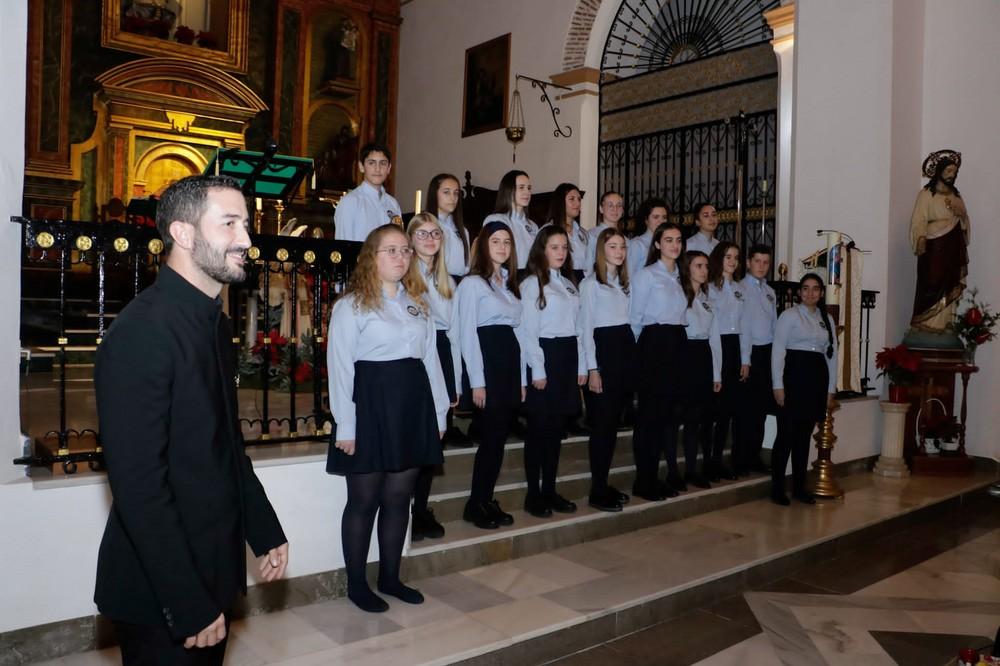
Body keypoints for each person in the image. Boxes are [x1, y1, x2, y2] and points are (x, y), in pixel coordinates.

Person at [94, 175, 288, 664]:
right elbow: (139, 486)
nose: (246, 240)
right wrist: (185, 600)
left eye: (245, 225)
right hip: (162, 587)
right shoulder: (142, 331)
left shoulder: (213, 324)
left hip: (213, 564)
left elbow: (225, 443)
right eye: (230, 224)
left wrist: (263, 526)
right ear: (182, 233)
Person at [327, 224, 449, 613]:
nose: (400, 257)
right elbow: (341, 367)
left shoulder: (417, 303)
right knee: (364, 500)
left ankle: (391, 578)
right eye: (391, 250)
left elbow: (430, 362)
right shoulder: (352, 305)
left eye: (405, 251)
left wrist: (439, 414)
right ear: (372, 257)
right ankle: (357, 585)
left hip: (411, 407)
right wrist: (346, 425)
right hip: (370, 406)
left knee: (399, 498)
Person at [456, 222, 524, 529]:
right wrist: (477, 381)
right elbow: (467, 334)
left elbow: (518, 332)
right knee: (491, 438)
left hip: (508, 363)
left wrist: (521, 380)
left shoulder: (509, 283)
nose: (502, 247)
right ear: (484, 245)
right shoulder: (472, 284)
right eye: (495, 241)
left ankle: (486, 498)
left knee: (499, 439)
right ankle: (475, 504)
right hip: (488, 363)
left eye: (507, 242)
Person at [518, 225, 587, 517]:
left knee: (556, 430)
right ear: (541, 250)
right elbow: (527, 331)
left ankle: (549, 489)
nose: (561, 253)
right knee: (539, 430)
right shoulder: (532, 284)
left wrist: (581, 365)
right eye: (554, 247)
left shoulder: (569, 284)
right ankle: (533, 494)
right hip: (545, 356)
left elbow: (579, 327)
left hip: (567, 357)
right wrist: (537, 368)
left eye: (564, 248)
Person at [406, 213, 463, 541]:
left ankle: (421, 509)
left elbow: (454, 335)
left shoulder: (448, 282)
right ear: (411, 239)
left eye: (435, 234)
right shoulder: (404, 274)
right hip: (414, 352)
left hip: (441, 350)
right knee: (413, 436)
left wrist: (455, 380)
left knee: (433, 440)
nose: (429, 239)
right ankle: (403, 508)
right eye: (422, 234)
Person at [628, 222, 688, 501]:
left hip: (676, 342)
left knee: (666, 416)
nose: (675, 245)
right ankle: (644, 480)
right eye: (669, 240)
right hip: (654, 344)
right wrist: (637, 358)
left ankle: (654, 477)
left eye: (678, 240)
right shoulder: (647, 275)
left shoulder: (679, 276)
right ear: (657, 244)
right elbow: (635, 319)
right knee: (649, 417)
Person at [771, 273, 837, 505]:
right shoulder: (789, 315)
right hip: (793, 378)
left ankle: (799, 487)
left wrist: (830, 389)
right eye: (806, 288)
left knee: (803, 437)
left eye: (815, 288)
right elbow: (778, 350)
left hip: (815, 381)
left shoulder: (827, 319)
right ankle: (777, 488)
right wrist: (778, 385)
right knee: (786, 435)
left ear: (821, 293)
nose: (810, 293)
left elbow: (832, 356)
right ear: (799, 292)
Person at [580, 227, 634, 511]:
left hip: (623, 352)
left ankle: (603, 482)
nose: (619, 251)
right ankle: (597, 491)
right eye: (612, 246)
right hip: (603, 353)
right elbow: (586, 329)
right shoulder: (591, 284)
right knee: (602, 425)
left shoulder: (623, 283)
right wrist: (593, 368)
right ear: (601, 250)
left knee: (612, 425)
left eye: (622, 247)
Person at [908, 149, 970, 334]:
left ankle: (945, 324)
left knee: (950, 283)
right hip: (934, 248)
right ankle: (926, 322)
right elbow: (918, 220)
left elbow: (965, 224)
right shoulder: (926, 194)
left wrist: (962, 216)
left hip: (952, 247)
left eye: (954, 172)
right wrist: (920, 238)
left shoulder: (956, 196)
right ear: (939, 171)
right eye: (948, 171)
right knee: (931, 282)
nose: (952, 175)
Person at [678, 250, 722, 489]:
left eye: (706, 266)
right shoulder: (679, 295)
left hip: (703, 354)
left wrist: (716, 373)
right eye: (699, 266)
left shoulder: (708, 299)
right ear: (687, 268)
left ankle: (694, 469)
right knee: (684, 414)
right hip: (685, 353)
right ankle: (679, 470)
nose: (704, 270)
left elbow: (714, 338)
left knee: (699, 416)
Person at [704, 242, 746, 481]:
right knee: (713, 410)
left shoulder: (740, 288)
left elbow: (745, 325)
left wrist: (745, 359)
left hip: (734, 347)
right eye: (728, 257)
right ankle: (707, 462)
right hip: (715, 345)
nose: (732, 262)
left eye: (736, 257)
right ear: (718, 258)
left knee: (727, 411)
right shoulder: (709, 288)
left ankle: (718, 460)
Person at [736, 244, 778, 476]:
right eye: (757, 261)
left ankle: (754, 456)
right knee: (746, 411)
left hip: (766, 353)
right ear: (748, 262)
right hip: (749, 353)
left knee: (761, 409)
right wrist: (746, 359)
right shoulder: (741, 289)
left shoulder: (770, 291)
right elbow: (744, 327)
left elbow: (773, 326)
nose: (761, 266)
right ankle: (741, 458)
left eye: (765, 262)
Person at [333, 142, 402, 241]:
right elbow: (344, 243)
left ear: (389, 168)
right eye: (371, 163)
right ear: (361, 166)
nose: (377, 169)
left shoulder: (393, 204)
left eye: (383, 163)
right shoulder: (350, 202)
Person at [483, 170, 537, 270]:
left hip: (531, 275)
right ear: (509, 190)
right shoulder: (496, 220)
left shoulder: (533, 225)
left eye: (529, 188)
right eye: (521, 187)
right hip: (507, 275)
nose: (527, 192)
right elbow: (486, 255)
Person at [426, 173, 470, 278]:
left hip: (460, 281)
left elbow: (467, 265)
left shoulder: (462, 230)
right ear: (434, 194)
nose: (452, 198)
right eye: (446, 192)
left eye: (456, 193)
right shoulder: (427, 226)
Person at [543, 183, 589, 272]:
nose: (577, 203)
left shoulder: (583, 233)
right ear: (560, 202)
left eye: (579, 199)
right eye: (572, 199)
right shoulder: (548, 230)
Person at [584, 191, 625, 275]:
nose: (615, 209)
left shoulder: (626, 240)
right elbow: (588, 268)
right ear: (601, 209)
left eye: (619, 205)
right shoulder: (591, 235)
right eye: (610, 205)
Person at [627, 198, 669, 278]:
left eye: (664, 217)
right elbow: (629, 275)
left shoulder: (669, 243)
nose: (661, 221)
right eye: (656, 217)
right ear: (646, 220)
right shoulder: (637, 244)